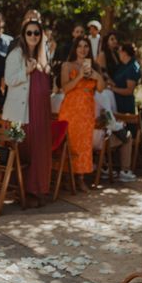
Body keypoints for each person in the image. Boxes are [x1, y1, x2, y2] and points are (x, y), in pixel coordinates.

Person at [2, 19, 52, 205]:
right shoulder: (16, 54)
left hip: (40, 111)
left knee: (39, 151)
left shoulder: (43, 56)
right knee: (24, 151)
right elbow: (8, 79)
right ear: (23, 35)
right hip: (21, 112)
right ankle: (23, 192)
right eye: (29, 33)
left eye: (36, 33)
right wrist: (26, 70)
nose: (33, 36)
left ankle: (37, 189)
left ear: (41, 36)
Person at [59, 36, 105, 192]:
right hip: (70, 110)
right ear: (75, 48)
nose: (83, 49)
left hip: (86, 111)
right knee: (70, 143)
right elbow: (65, 88)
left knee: (84, 145)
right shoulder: (67, 65)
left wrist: (97, 76)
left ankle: (80, 179)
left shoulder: (95, 67)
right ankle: (66, 178)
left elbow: (100, 89)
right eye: (80, 46)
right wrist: (79, 76)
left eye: (86, 46)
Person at [110, 43, 141, 115]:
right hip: (118, 103)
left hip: (126, 105)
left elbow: (129, 90)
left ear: (124, 53)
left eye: (119, 51)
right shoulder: (123, 66)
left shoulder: (132, 67)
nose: (118, 54)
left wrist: (113, 89)